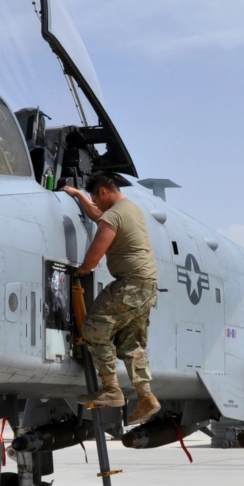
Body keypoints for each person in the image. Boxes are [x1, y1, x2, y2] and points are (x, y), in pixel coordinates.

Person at [61, 173, 161, 425]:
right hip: (146, 287)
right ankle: (146, 396)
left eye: (96, 197)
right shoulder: (129, 209)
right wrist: (79, 195)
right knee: (130, 344)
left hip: (130, 284)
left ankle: (111, 390)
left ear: (104, 191)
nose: (96, 204)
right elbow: (98, 216)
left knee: (95, 329)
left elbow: (98, 247)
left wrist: (83, 269)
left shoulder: (114, 214)